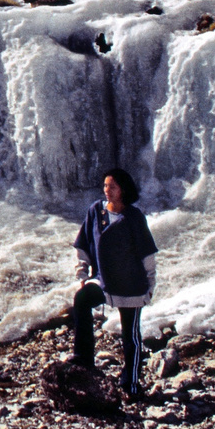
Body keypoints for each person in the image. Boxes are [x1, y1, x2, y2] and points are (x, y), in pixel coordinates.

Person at [72, 167, 158, 399]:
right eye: (105, 186)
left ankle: (130, 383)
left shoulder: (133, 218)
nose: (107, 191)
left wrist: (150, 284)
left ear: (123, 190)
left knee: (130, 336)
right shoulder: (95, 211)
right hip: (104, 281)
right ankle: (83, 360)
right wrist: (83, 275)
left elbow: (147, 254)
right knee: (82, 300)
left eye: (113, 187)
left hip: (130, 285)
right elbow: (84, 244)